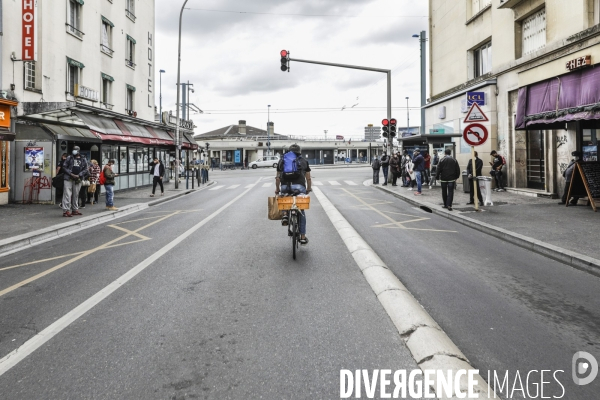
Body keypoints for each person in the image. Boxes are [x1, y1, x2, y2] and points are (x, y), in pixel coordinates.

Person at [275, 144, 312, 245]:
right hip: (299, 187)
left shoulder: (282, 160)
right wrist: (308, 188)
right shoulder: (303, 161)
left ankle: (285, 214)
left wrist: (277, 189)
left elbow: (278, 177)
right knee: (301, 210)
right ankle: (303, 236)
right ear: (300, 152)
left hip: (285, 187)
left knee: (284, 197)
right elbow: (308, 178)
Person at [62, 146, 89, 217]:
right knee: (67, 195)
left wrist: (79, 175)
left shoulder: (83, 158)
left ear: (78, 151)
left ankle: (75, 209)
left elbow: (86, 169)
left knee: (76, 194)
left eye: (75, 150)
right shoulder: (69, 158)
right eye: (73, 150)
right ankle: (66, 210)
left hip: (78, 179)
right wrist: (71, 174)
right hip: (68, 178)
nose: (74, 151)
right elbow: (64, 167)